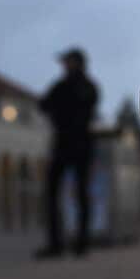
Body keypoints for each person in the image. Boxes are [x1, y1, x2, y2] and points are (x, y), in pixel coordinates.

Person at [36, 47, 99, 259]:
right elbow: (43, 105)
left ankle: (76, 243)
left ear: (77, 63)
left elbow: (47, 105)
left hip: (75, 144)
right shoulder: (70, 86)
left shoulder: (81, 87)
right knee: (60, 194)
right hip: (68, 144)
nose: (64, 66)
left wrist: (60, 110)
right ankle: (64, 243)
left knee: (77, 194)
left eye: (67, 62)